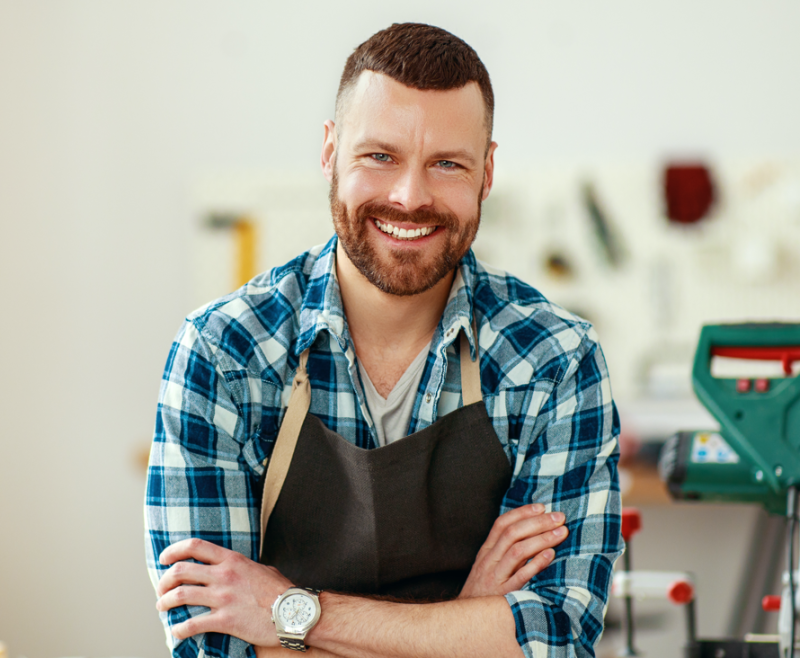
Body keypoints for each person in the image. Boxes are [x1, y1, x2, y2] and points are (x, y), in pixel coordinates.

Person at [145, 22, 622, 658]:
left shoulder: (554, 360)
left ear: (486, 173)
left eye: (447, 164)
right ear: (329, 152)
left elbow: (556, 639)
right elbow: (215, 648)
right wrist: (470, 619)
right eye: (380, 156)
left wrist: (292, 615)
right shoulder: (224, 353)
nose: (409, 196)